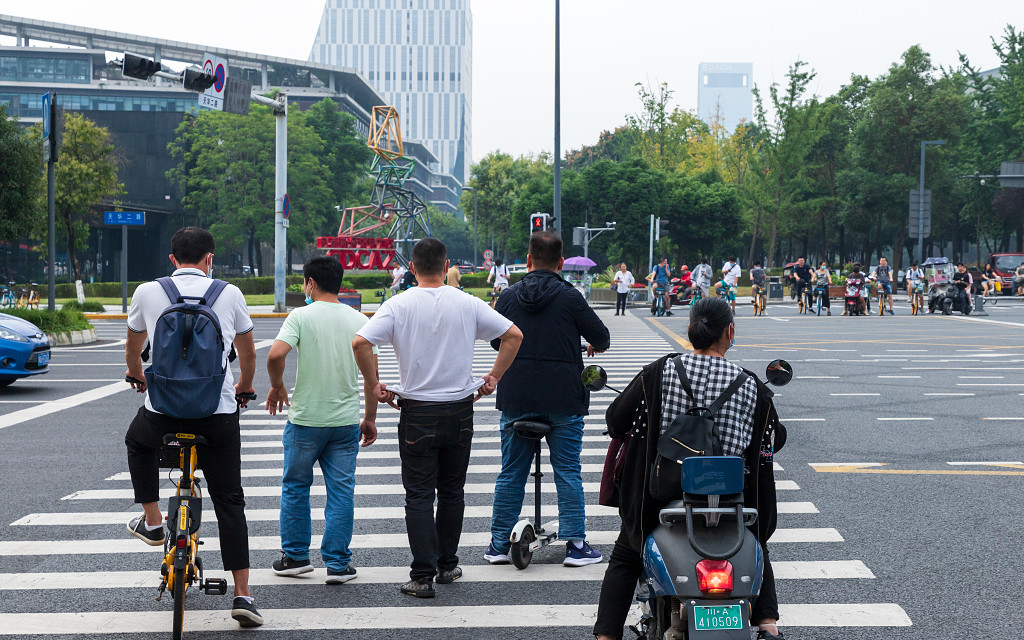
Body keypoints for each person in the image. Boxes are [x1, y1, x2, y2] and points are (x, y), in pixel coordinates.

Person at [593, 298, 785, 640]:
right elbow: (775, 436)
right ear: (729, 332)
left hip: (660, 495)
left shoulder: (659, 372)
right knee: (756, 543)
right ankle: (768, 624)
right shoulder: (751, 385)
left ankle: (607, 635)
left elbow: (616, 419)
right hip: (730, 497)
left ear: (690, 329)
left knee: (627, 553)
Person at [352, 238, 524, 599]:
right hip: (460, 410)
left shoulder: (397, 305)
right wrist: (493, 377)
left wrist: (376, 386)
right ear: (446, 266)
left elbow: (360, 343)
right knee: (451, 492)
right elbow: (513, 335)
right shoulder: (468, 302)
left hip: (416, 412)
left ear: (411, 268)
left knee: (418, 495)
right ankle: (447, 565)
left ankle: (422, 576)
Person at [123, 227, 263, 627]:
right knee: (230, 502)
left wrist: (137, 374)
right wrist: (244, 387)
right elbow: (249, 353)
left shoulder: (148, 292)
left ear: (172, 259)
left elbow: (134, 345)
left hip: (162, 410)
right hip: (216, 415)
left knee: (137, 442)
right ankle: (243, 595)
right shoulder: (229, 293)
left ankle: (153, 522)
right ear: (210, 258)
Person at [486, 231, 611, 567]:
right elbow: (602, 337)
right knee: (567, 470)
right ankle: (575, 545)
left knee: (511, 471)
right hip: (564, 400)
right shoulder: (571, 298)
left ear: (528, 260)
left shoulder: (508, 297)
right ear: (560, 263)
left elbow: (498, 344)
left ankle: (498, 545)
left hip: (516, 396)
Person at [265, 257, 378, 585]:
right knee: (341, 491)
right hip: (344, 422)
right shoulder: (359, 319)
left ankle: (297, 557)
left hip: (305, 421)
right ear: (340, 283)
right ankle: (339, 564)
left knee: (296, 486)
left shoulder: (300, 315)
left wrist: (277, 386)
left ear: (310, 283)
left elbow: (275, 355)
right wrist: (368, 419)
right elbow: (373, 377)